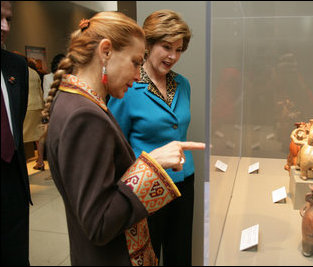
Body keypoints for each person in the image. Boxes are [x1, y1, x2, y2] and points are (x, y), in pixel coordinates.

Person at [41, 11, 205, 266]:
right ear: (106, 51)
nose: (139, 75)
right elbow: (100, 222)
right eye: (135, 62)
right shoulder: (84, 116)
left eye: (179, 49)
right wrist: (152, 165)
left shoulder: (74, 101)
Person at [108, 9, 195, 265]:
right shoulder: (128, 85)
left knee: (181, 253)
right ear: (148, 44)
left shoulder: (183, 84)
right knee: (148, 255)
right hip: (147, 187)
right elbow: (117, 146)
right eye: (166, 47)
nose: (173, 56)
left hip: (183, 182)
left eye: (178, 49)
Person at [1, 1, 32, 265]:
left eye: (8, 19)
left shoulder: (16, 67)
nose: (4, 27)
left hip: (13, 185)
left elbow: (15, 124)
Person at [23, 56, 46, 170]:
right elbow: (40, 90)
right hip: (37, 105)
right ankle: (41, 161)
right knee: (39, 136)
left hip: (26, 106)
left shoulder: (20, 71)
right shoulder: (34, 73)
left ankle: (20, 165)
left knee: (20, 136)